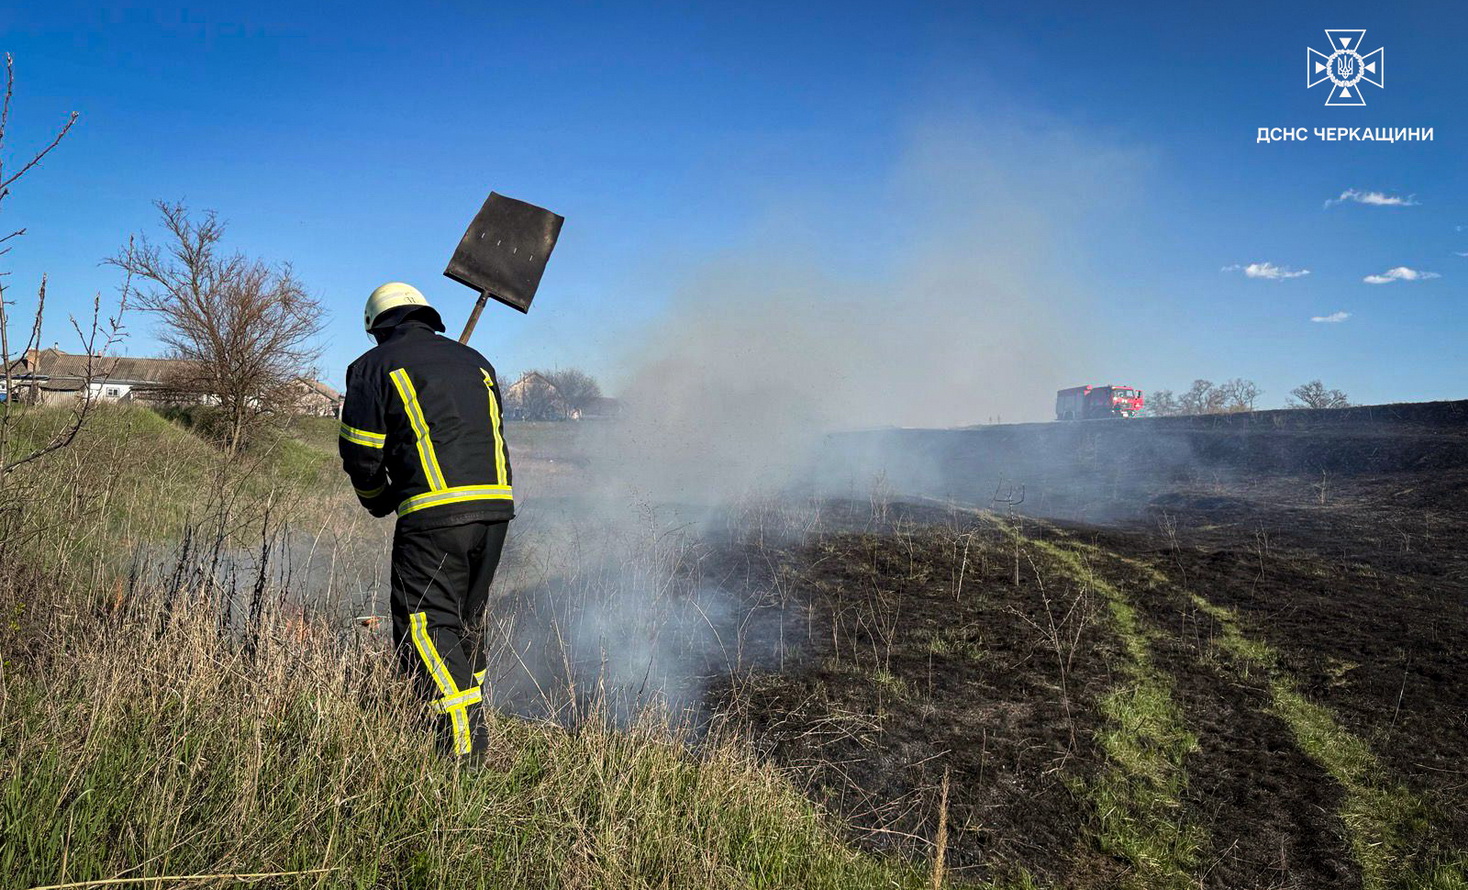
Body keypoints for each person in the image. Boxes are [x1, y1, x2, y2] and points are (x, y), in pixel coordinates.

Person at [338, 282, 513, 758]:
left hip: (435, 515)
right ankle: (473, 724)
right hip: (497, 511)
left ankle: (463, 755)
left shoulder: (372, 367)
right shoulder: (476, 361)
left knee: (426, 625)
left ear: (376, 326)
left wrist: (379, 499)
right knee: (467, 620)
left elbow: (362, 454)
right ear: (426, 316)